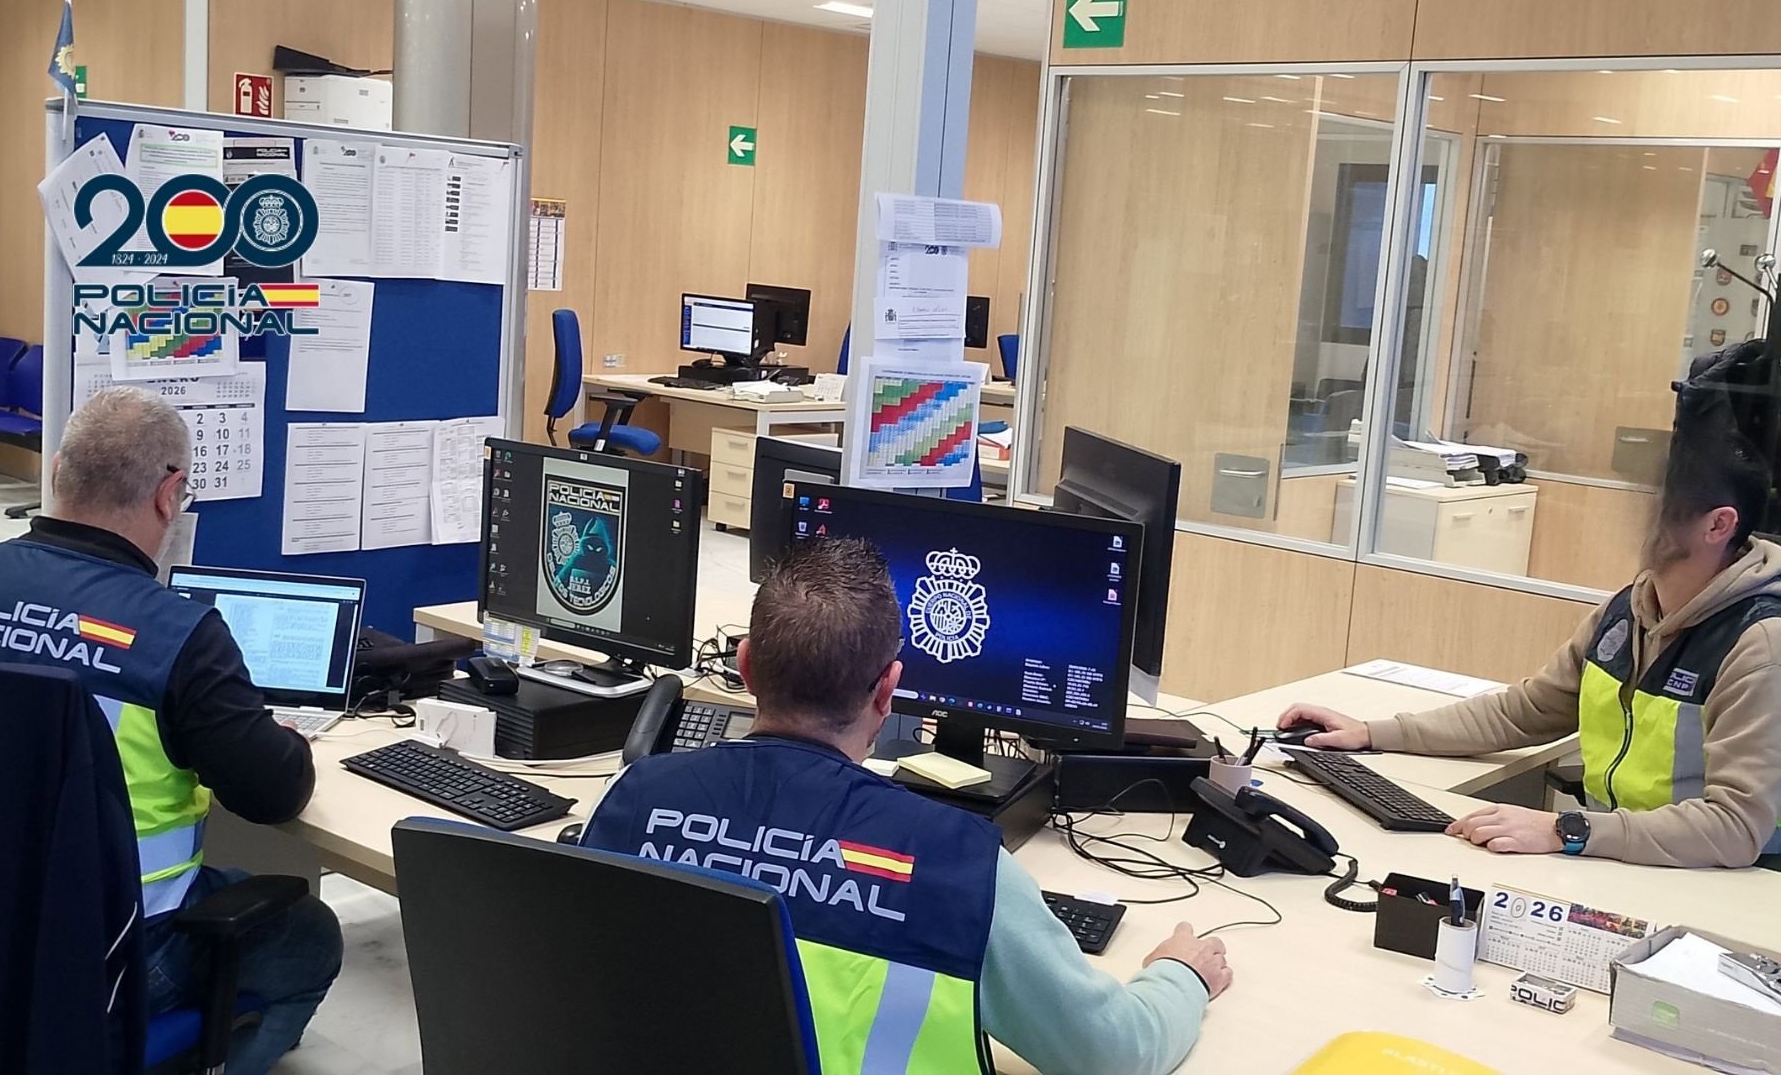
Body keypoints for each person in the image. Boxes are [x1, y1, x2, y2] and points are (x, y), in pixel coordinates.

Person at [583, 538, 1227, 1074]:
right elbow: (1113, 1053)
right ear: (889, 688)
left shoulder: (631, 799)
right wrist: (1180, 976)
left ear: (746, 667)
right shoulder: (960, 867)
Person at [0, 387, 342, 1072]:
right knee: (309, 934)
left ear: (57, 471)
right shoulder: (176, 633)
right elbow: (273, 794)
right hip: (115, 950)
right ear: (169, 494)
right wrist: (286, 739)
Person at [1278, 435, 1781, 868]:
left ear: (1718, 525)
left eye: (1657, 506)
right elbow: (1527, 711)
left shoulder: (1758, 643)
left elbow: (1735, 827)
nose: (1635, 517)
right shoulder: (1630, 609)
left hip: (1727, 880)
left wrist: (1567, 830)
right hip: (1626, 858)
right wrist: (1373, 733)